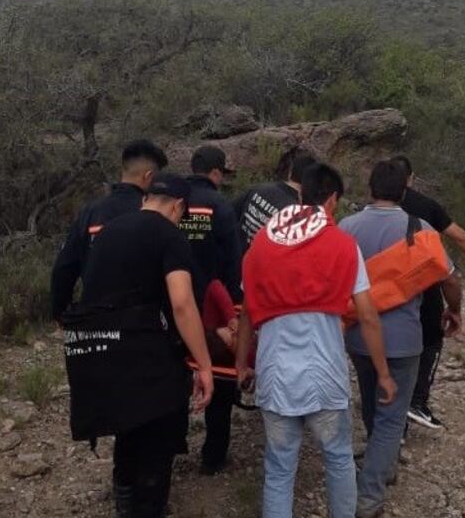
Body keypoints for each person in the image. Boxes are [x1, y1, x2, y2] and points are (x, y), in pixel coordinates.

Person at [236, 163, 397, 518]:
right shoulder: (341, 243)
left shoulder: (261, 244)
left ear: (300, 194)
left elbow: (247, 313)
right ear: (332, 199)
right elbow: (368, 316)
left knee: (279, 469)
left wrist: (241, 365)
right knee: (338, 458)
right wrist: (383, 373)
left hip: (275, 373)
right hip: (324, 374)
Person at [61, 173, 214, 518]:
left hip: (101, 353)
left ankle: (126, 505)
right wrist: (204, 364)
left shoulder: (111, 230)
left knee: (128, 434)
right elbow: (181, 302)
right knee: (155, 449)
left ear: (145, 199)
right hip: (146, 358)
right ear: (178, 207)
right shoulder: (169, 235)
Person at [339, 160, 460, 518]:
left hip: (359, 336)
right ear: (403, 191)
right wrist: (455, 310)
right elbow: (450, 279)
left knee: (374, 403)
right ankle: (369, 497)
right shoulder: (419, 228)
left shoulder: (346, 227)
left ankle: (384, 464)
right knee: (393, 417)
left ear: (371, 189)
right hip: (405, 338)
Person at [390, 155, 465, 429]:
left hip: (381, 290)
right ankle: (416, 401)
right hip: (424, 287)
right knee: (431, 339)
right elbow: (459, 235)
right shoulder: (426, 206)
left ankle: (393, 421)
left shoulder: (374, 208)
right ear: (411, 178)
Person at [51, 139, 168, 324]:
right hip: (142, 325)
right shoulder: (154, 214)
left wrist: (60, 312)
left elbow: (64, 268)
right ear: (149, 176)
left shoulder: (90, 212)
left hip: (95, 321)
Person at [179, 144, 243, 475]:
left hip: (173, 307)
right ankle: (213, 456)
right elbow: (233, 262)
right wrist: (233, 311)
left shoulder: (172, 201)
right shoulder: (220, 205)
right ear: (216, 172)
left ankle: (173, 441)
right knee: (219, 379)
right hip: (212, 309)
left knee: (175, 375)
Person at [233, 149, 317, 252]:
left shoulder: (259, 188)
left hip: (232, 258)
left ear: (290, 173)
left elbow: (231, 214)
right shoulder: (296, 214)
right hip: (258, 265)